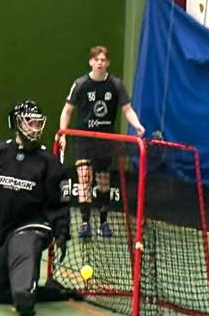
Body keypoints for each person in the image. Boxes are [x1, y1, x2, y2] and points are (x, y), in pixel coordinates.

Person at [0, 100, 79, 316]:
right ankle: (53, 292)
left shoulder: (50, 164)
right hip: (1, 234)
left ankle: (25, 296)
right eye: (29, 123)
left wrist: (62, 232)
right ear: (17, 124)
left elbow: (59, 203)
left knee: (22, 288)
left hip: (32, 228)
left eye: (38, 123)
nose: (35, 128)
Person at [57, 46, 145, 238]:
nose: (99, 63)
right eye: (96, 59)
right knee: (84, 179)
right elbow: (67, 111)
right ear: (91, 62)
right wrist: (63, 134)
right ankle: (85, 223)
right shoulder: (80, 84)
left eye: (103, 60)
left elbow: (127, 109)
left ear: (108, 63)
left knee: (103, 181)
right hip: (83, 140)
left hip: (105, 141)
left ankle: (103, 223)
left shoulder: (116, 85)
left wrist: (137, 125)